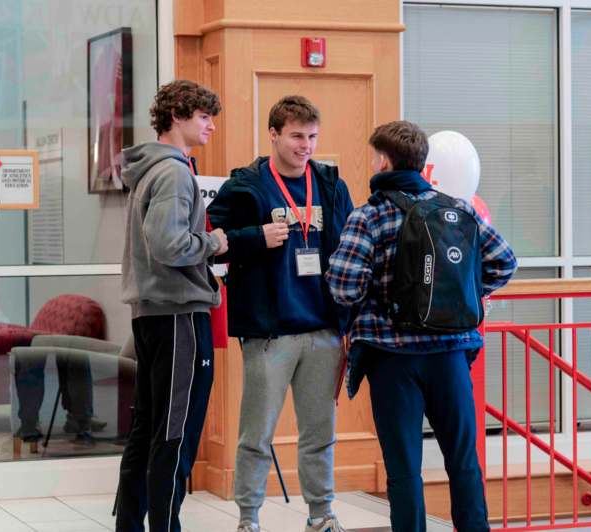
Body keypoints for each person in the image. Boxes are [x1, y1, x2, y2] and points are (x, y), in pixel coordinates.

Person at [326, 120, 517, 531]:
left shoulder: (369, 216)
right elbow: (505, 261)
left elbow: (343, 287)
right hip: (450, 355)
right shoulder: (458, 210)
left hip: (392, 359)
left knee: (404, 468)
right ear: (422, 162)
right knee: (463, 462)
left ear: (382, 159)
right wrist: (461, 294)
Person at [208, 95, 354, 532]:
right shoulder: (246, 185)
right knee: (257, 435)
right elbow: (208, 238)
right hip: (269, 334)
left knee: (318, 435)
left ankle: (321, 514)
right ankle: (248, 519)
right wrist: (255, 236)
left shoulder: (330, 185)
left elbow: (349, 247)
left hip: (323, 330)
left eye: (311, 137)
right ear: (273, 134)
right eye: (295, 136)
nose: (305, 145)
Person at [115, 79, 228, 532]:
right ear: (178, 116)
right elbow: (170, 245)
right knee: (174, 433)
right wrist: (214, 242)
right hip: (178, 314)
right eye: (204, 117)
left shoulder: (147, 168)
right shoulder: (175, 172)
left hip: (152, 313)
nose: (212, 127)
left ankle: (131, 525)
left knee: (148, 429)